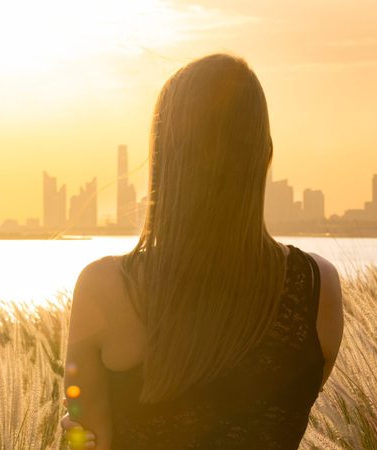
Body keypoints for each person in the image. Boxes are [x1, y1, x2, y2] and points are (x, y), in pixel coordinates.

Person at [60, 53, 344, 449]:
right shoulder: (317, 288)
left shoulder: (103, 288)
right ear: (263, 155)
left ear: (164, 159)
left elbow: (86, 440)